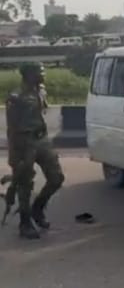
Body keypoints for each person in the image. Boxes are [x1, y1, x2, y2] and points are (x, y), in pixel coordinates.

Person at [5, 63, 64, 240]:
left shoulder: (41, 91)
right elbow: (12, 128)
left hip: (42, 139)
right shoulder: (16, 97)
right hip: (24, 142)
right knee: (24, 184)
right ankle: (25, 224)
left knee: (56, 178)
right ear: (29, 74)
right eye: (40, 72)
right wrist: (15, 156)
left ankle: (37, 209)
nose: (43, 75)